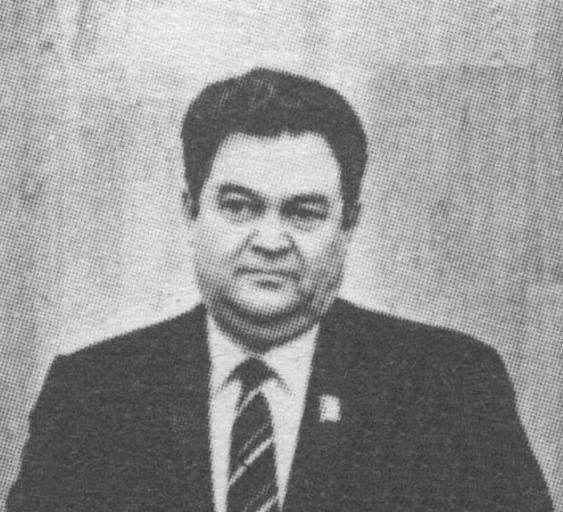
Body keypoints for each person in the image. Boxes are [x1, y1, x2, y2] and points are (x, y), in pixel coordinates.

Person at [8, 68, 553, 512]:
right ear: (190, 212)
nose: (270, 241)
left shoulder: (450, 388)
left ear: (349, 224)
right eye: (239, 206)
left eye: (303, 212)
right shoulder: (91, 395)